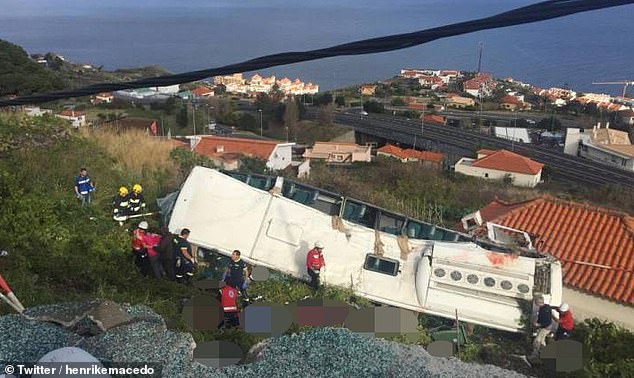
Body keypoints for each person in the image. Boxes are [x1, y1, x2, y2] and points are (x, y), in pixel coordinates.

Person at [530, 294, 553, 359]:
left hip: (545, 327)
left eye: (536, 302)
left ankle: (535, 354)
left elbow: (546, 322)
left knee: (537, 341)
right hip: (547, 327)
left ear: (539, 302)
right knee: (542, 340)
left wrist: (538, 324)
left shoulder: (544, 310)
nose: (535, 304)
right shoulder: (547, 307)